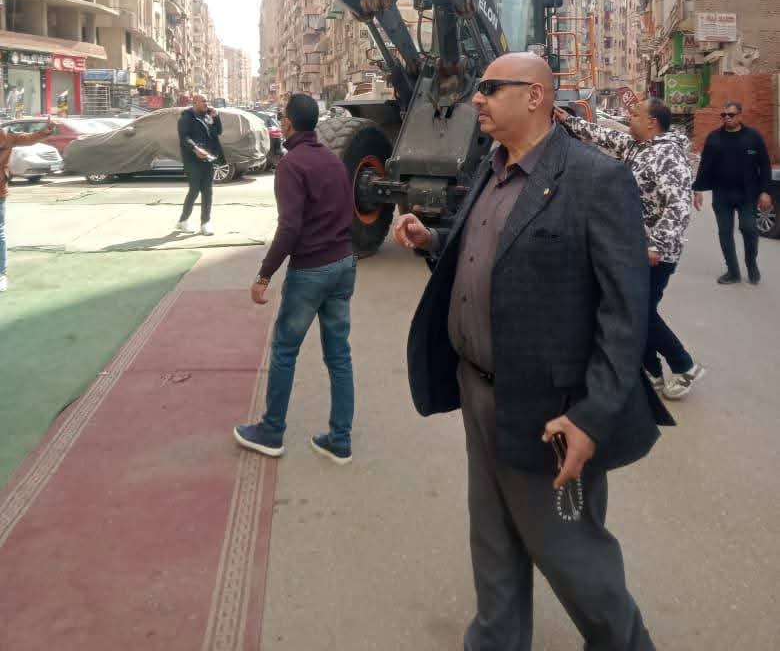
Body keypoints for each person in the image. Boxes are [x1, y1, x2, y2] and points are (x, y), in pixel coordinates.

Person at [395, 53, 672, 651]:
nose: (477, 98)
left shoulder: (595, 179)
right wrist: (432, 239)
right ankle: (495, 639)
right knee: (492, 533)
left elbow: (625, 314)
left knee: (571, 552)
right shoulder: (492, 167)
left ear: (535, 96)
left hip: (550, 411)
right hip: (478, 389)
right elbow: (484, 247)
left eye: (491, 88)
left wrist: (592, 416)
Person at [233, 93, 356, 464]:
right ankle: (340, 440)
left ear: (287, 123)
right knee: (339, 355)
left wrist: (264, 274)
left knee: (285, 351)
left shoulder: (291, 165)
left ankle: (271, 432)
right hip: (343, 265)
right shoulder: (331, 159)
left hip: (312, 271)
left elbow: (289, 227)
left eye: (281, 114)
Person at [555, 98, 704, 401]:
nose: (628, 116)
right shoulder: (638, 146)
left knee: (639, 312)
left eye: (634, 114)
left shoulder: (668, 156)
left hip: (656, 254)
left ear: (652, 122)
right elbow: (604, 135)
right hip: (636, 246)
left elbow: (677, 208)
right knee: (633, 310)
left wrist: (656, 246)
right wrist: (567, 120)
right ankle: (651, 371)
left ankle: (684, 365)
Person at [692, 100, 773, 285]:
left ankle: (751, 264)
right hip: (722, 194)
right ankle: (733, 272)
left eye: (731, 114)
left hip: (748, 193)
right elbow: (705, 165)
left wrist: (765, 191)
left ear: (740, 115)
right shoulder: (714, 138)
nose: (727, 118)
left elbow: (765, 165)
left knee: (749, 229)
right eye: (724, 115)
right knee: (725, 232)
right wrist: (697, 189)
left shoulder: (753, 137)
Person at [0, 117, 56, 292]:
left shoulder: (7, 136)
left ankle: (1, 274)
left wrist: (46, 130)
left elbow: (29, 139)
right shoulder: (7, 136)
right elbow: (30, 139)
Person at [176, 94, 222, 235]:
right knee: (194, 190)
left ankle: (205, 223)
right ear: (194, 102)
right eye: (203, 101)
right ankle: (183, 221)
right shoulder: (186, 117)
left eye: (207, 101)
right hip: (192, 160)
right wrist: (195, 149)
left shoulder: (207, 117)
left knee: (208, 191)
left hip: (207, 158)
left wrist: (216, 117)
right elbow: (184, 137)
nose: (206, 103)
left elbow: (218, 131)